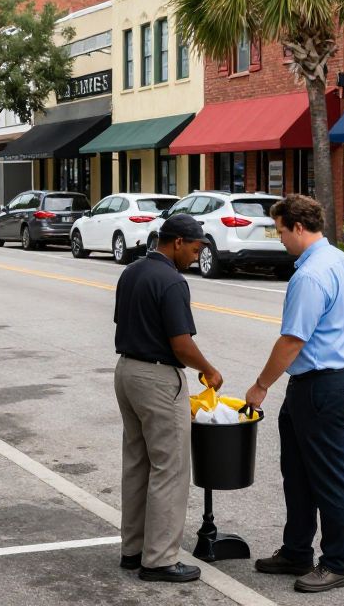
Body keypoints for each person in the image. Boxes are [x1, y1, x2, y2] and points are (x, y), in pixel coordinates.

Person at [245, 194, 344, 594]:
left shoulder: (310, 275)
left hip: (323, 385)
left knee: (329, 478)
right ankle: (296, 551)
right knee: (296, 475)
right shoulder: (340, 260)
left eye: (280, 231)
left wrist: (261, 385)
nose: (278, 239)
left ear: (298, 227)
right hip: (325, 382)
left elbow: (292, 341)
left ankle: (336, 564)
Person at [113, 213, 223, 584]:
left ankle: (133, 549)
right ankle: (158, 560)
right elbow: (181, 343)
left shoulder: (132, 272)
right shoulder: (173, 282)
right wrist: (209, 370)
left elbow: (124, 323)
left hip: (126, 371)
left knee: (138, 463)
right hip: (158, 378)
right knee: (170, 467)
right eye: (194, 248)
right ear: (177, 242)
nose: (196, 255)